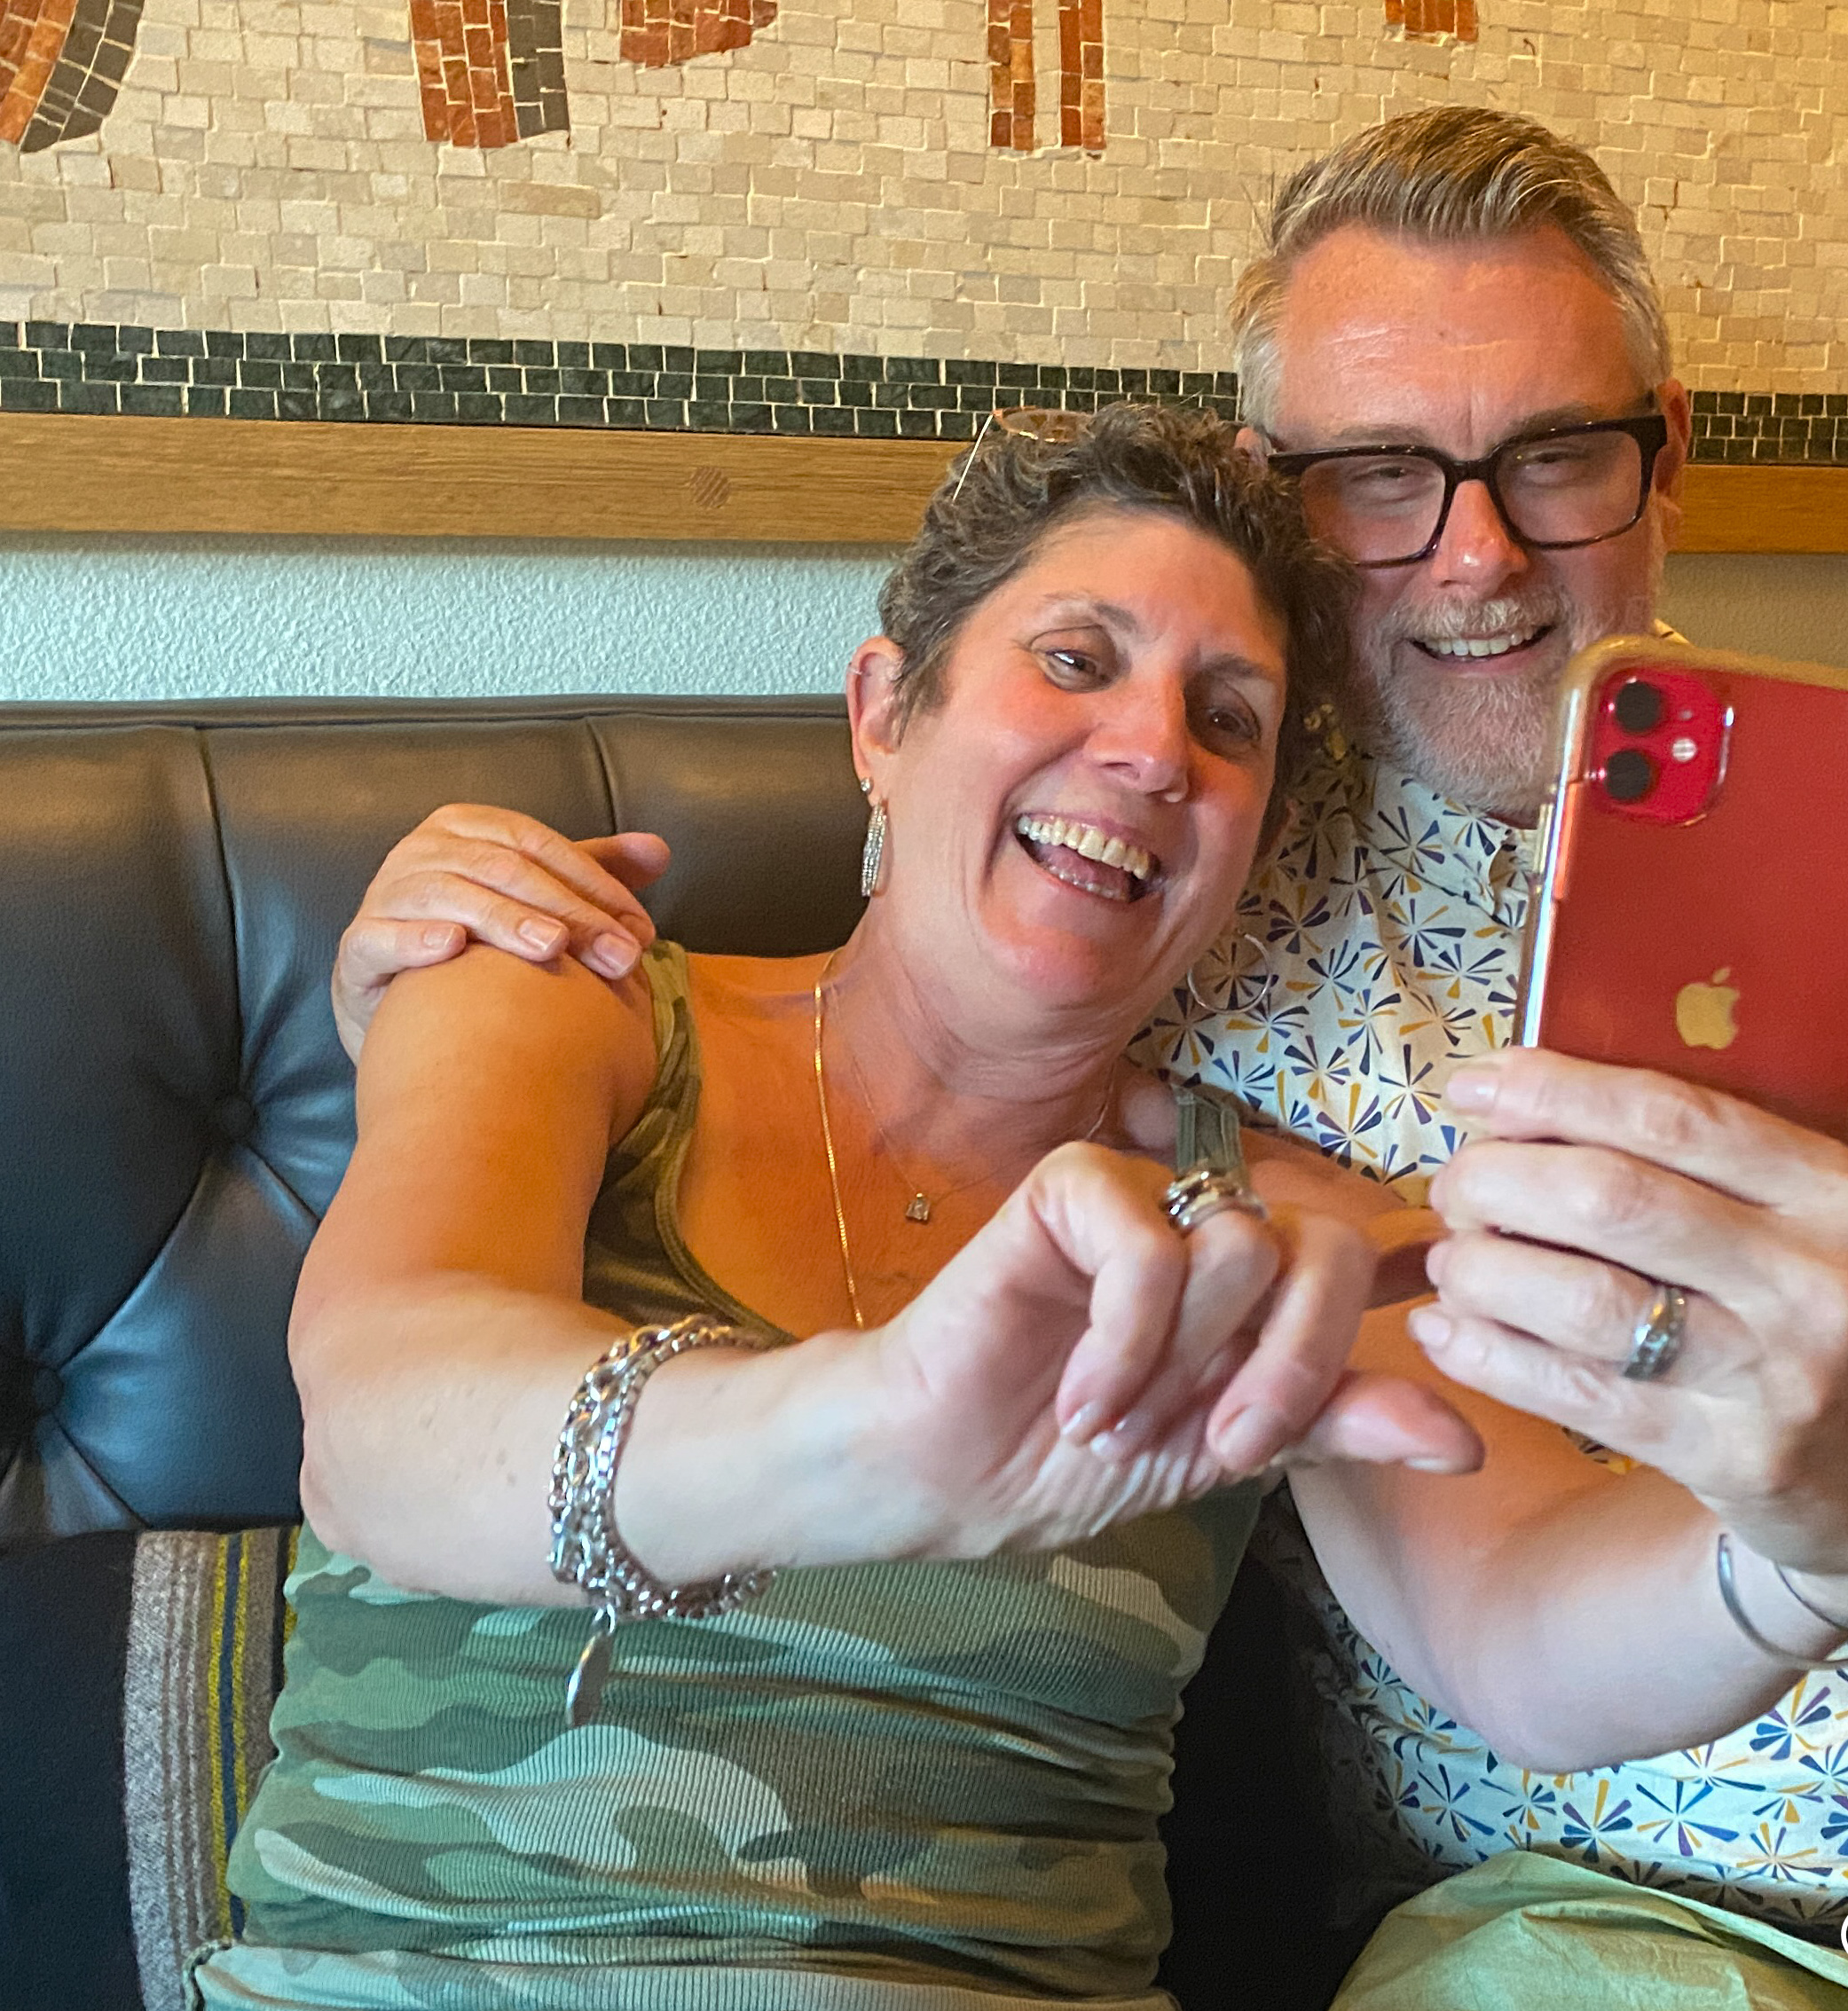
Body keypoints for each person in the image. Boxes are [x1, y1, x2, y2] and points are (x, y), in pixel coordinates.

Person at [322, 113, 1848, 2011]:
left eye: (1551, 455)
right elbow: (409, 1395)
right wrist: (851, 1408)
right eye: (1374, 475)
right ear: (884, 708)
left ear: (1664, 461)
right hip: (1646, 1925)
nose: (1470, 557)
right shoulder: (1150, 982)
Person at [190, 405, 1484, 2011]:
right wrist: (865, 1439)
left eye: (1229, 720)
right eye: (1076, 660)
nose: (1157, 750)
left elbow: (1532, 1640)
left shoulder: (1266, 1228)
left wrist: (1778, 1536)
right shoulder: (562, 994)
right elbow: (383, 1419)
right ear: (884, 714)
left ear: (1257, 839)